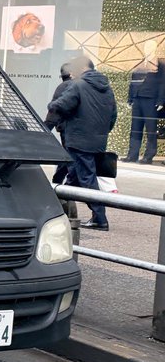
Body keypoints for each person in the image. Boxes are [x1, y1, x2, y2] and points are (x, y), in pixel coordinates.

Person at [48, 56, 118, 231]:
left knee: (87, 178)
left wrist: (51, 105)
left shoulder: (78, 85)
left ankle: (100, 219)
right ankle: (57, 208)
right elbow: (113, 116)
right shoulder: (107, 88)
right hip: (97, 140)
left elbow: (61, 106)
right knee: (74, 176)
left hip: (79, 140)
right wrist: (101, 133)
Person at [126, 51, 164, 165]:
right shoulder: (140, 63)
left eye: (151, 46)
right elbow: (133, 82)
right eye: (146, 46)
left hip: (151, 99)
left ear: (155, 48)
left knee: (150, 129)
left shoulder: (160, 65)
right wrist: (130, 98)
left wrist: (161, 100)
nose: (147, 48)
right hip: (137, 98)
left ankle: (148, 156)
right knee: (135, 128)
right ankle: (132, 155)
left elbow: (163, 83)